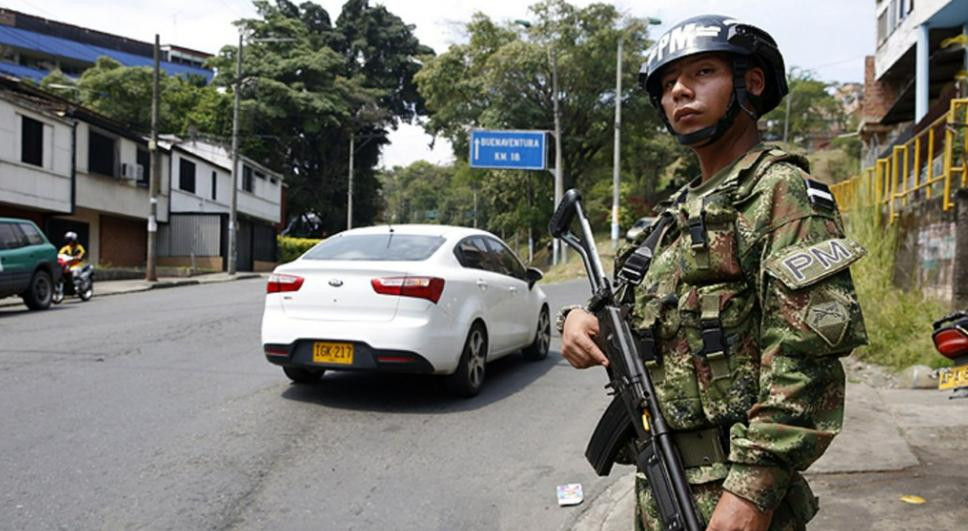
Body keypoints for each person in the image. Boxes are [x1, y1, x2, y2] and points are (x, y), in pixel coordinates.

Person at [557, 15, 868, 531]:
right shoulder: (674, 215)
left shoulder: (781, 193)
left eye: (702, 73)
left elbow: (806, 362)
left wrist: (751, 493)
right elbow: (626, 308)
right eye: (667, 84)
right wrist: (574, 319)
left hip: (734, 498)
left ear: (751, 82)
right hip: (660, 483)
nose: (679, 91)